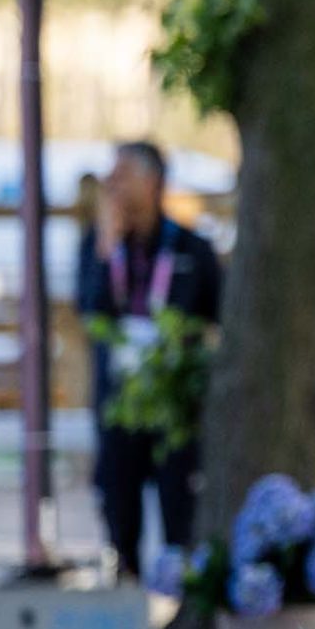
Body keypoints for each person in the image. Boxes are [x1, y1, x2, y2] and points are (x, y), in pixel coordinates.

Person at [76, 141, 223, 581]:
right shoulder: (98, 245)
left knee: (180, 508)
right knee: (118, 507)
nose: (113, 186)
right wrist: (106, 246)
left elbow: (216, 319)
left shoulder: (193, 249)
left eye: (123, 176)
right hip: (119, 400)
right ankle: (126, 592)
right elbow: (90, 310)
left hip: (174, 407)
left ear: (153, 182)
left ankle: (182, 594)